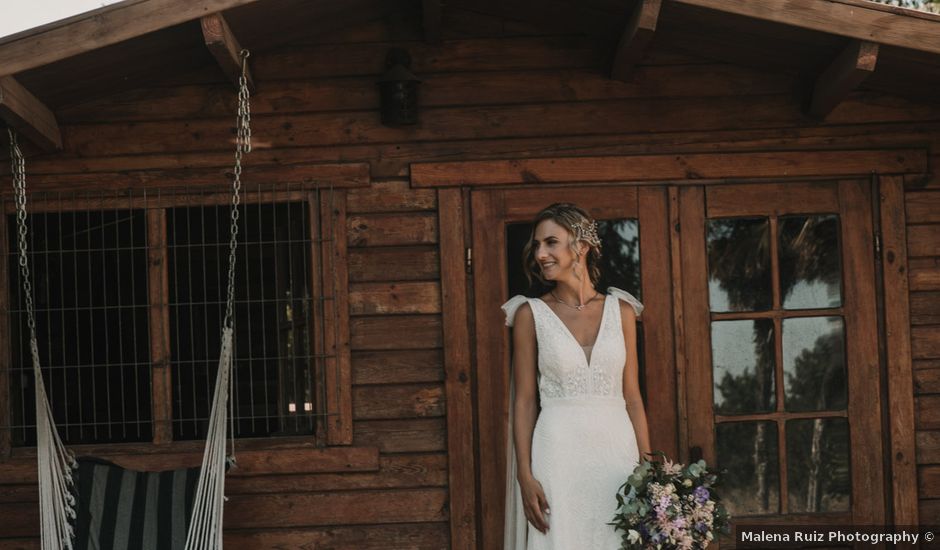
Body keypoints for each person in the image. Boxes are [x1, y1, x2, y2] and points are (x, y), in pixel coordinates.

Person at [501, 203, 652, 549]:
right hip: (557, 453)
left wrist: (647, 469)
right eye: (537, 245)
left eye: (551, 242)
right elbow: (524, 401)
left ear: (581, 246)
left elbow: (632, 396)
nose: (540, 253)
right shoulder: (530, 314)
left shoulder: (622, 311)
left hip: (616, 452)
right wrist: (525, 474)